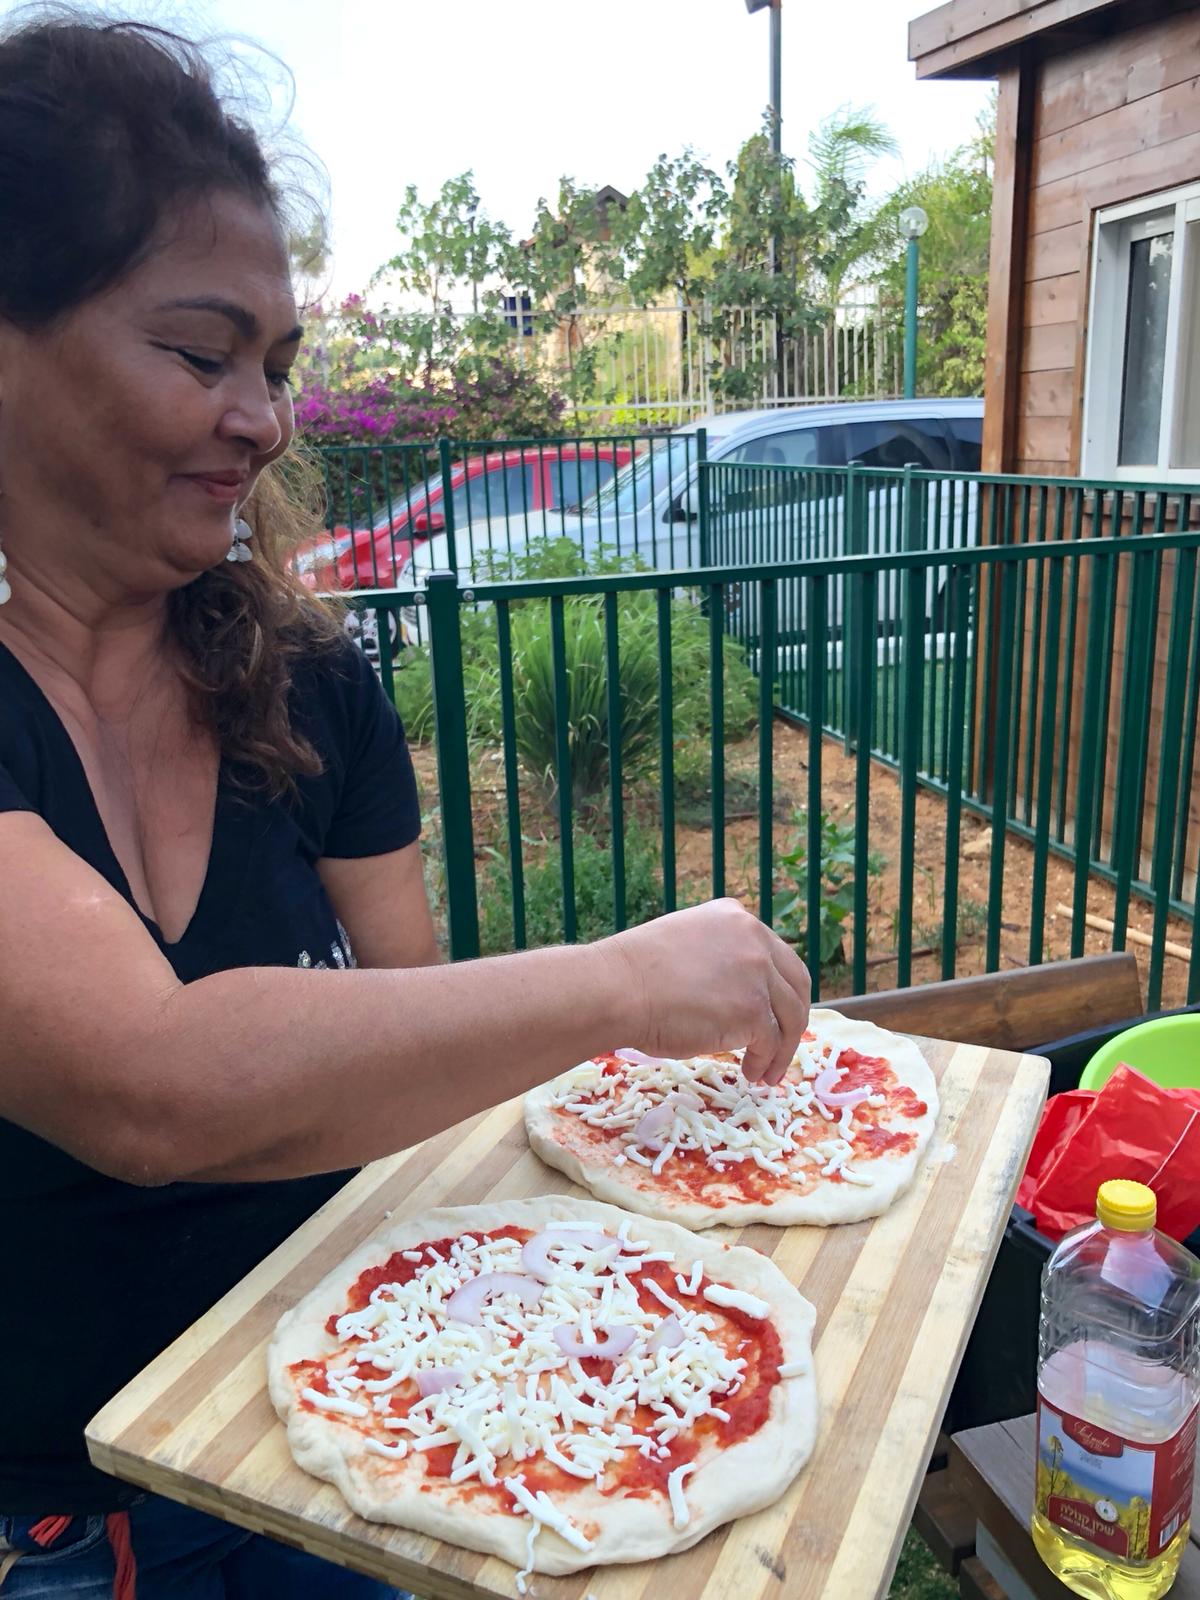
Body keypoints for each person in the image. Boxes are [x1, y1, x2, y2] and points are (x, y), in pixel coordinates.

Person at [0, 12, 812, 1599]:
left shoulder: (309, 682)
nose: (265, 418)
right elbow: (152, 1090)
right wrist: (628, 979)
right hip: (55, 1515)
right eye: (202, 353)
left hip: (368, 1420)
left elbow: (408, 1048)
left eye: (277, 367)